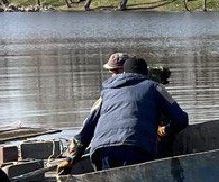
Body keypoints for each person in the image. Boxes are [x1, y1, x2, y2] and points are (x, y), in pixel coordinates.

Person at [61, 54, 189, 172]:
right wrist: (166, 130)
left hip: (101, 152)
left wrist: (70, 158)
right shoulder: (154, 87)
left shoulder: (106, 93)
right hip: (136, 149)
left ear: (125, 72)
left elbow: (86, 129)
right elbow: (181, 119)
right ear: (146, 73)